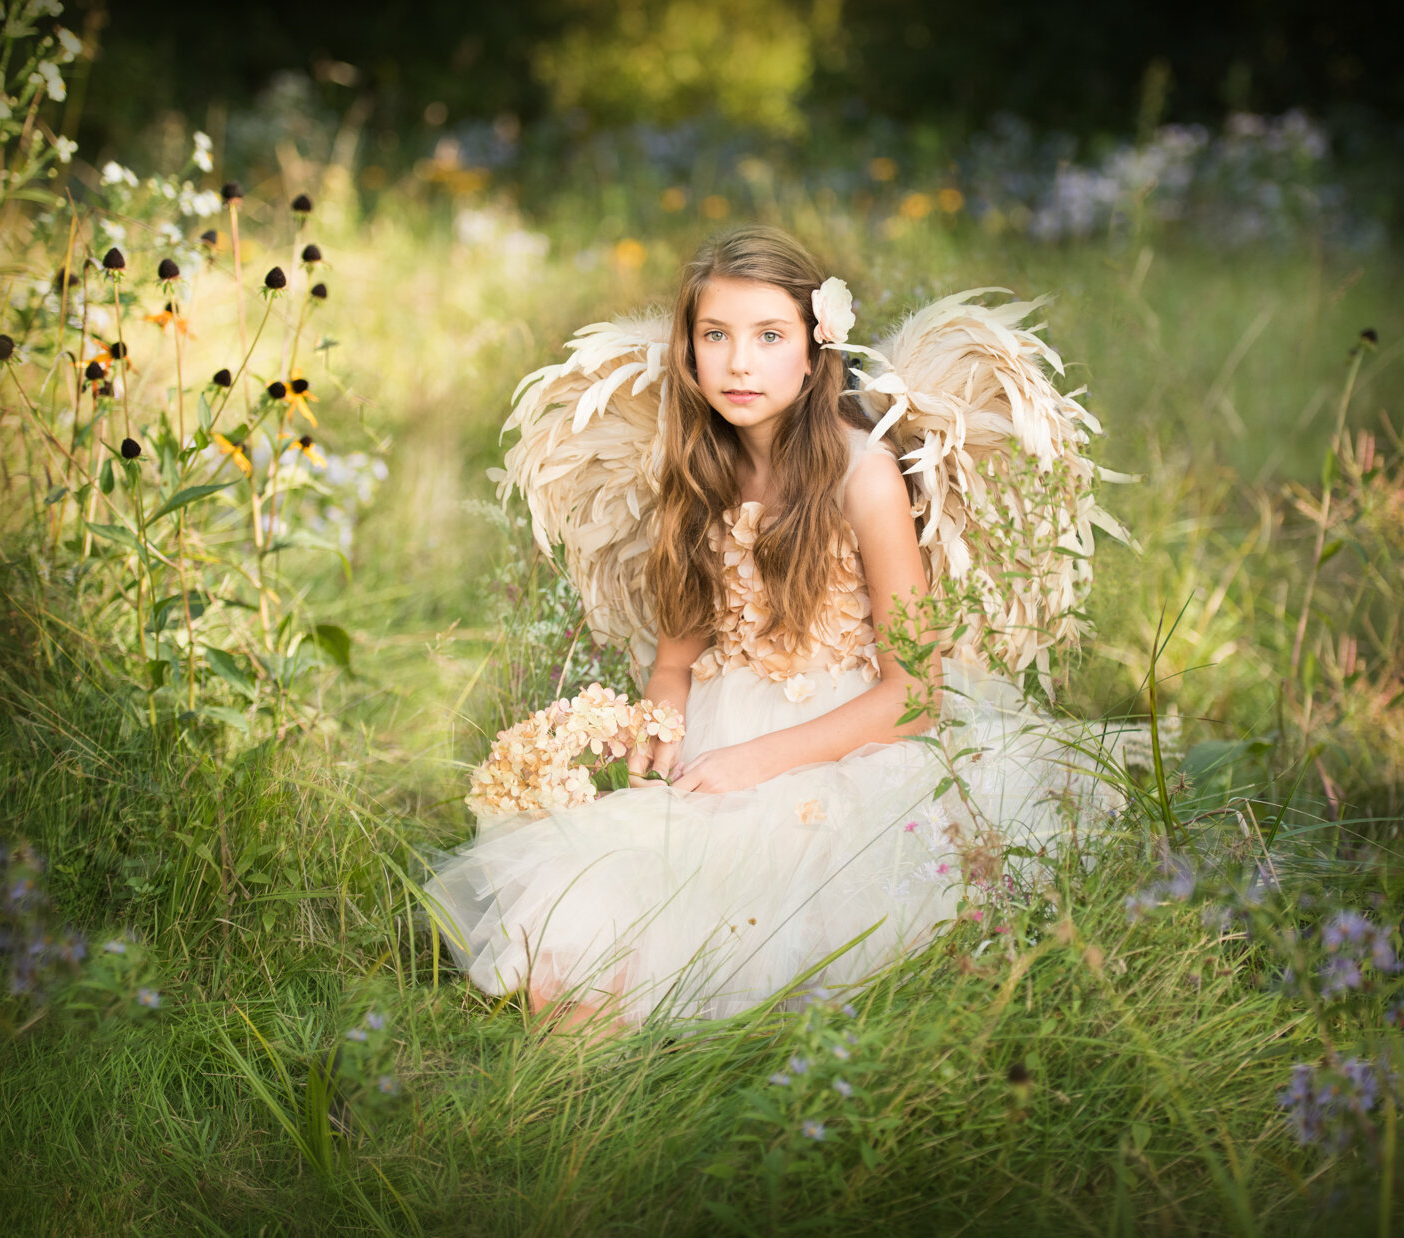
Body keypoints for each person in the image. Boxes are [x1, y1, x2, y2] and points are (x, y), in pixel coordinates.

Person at [425, 226, 1116, 1035]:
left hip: (846, 743)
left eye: (769, 336)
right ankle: (577, 1105)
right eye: (715, 336)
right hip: (719, 734)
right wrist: (658, 729)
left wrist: (750, 764)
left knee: (750, 919)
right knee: (568, 957)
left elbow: (916, 695)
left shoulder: (863, 473)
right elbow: (676, 660)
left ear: (816, 349)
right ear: (687, 351)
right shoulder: (694, 470)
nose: (740, 363)